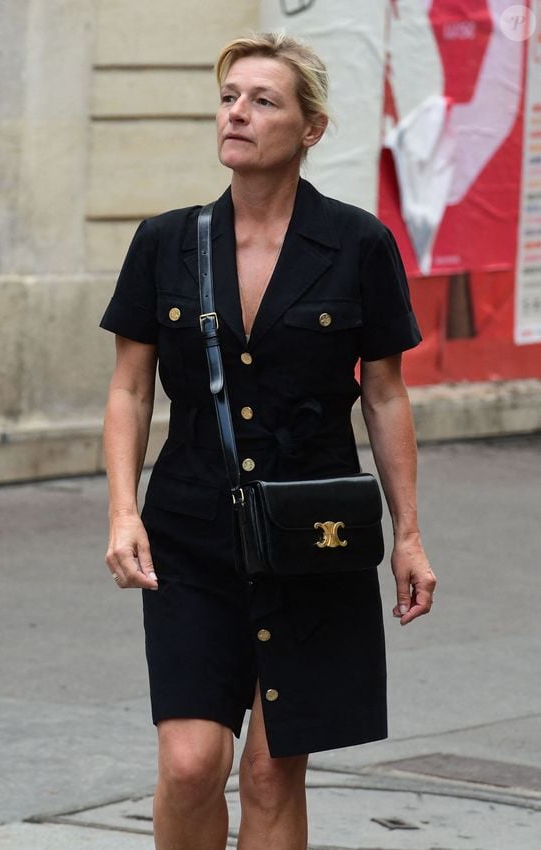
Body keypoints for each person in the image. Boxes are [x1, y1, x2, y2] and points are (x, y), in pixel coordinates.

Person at [100, 31, 436, 850]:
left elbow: (385, 395)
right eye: (228, 97)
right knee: (189, 762)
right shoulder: (166, 242)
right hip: (190, 528)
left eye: (262, 100)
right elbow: (129, 387)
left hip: (312, 533)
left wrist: (410, 535)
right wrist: (121, 512)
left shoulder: (359, 245)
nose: (237, 114)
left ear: (311, 128)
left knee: (272, 768)